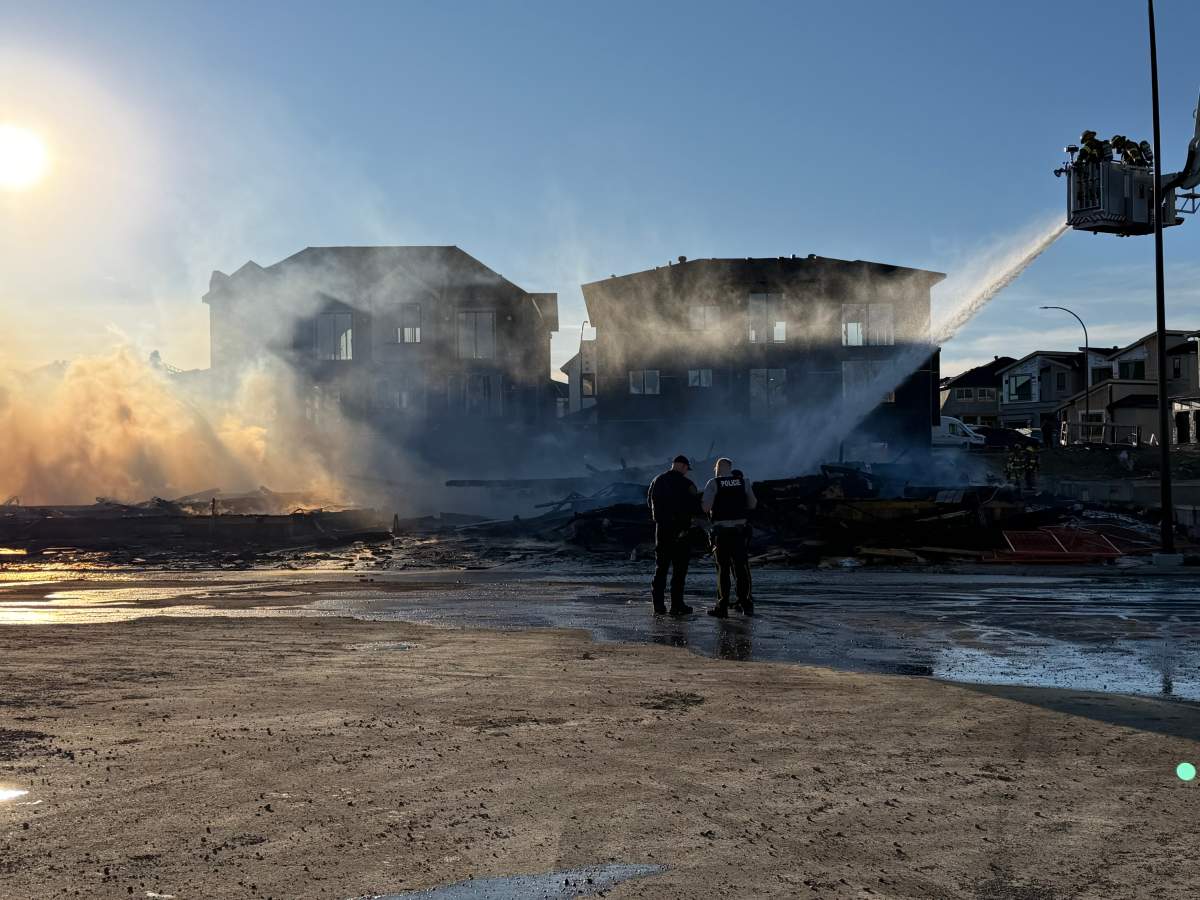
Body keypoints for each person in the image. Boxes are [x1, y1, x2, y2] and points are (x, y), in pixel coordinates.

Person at [701, 458, 757, 618]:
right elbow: (752, 504)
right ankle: (746, 605)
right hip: (740, 533)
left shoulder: (714, 483)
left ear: (717, 469)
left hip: (722, 533)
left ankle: (722, 607)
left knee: (723, 571)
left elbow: (706, 507)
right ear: (731, 468)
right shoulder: (743, 482)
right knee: (741, 569)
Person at [646, 455, 700, 616]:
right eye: (686, 469)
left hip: (662, 530)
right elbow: (695, 506)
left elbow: (649, 502)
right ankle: (677, 605)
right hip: (682, 531)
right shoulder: (687, 484)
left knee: (661, 568)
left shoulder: (657, 480)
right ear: (683, 466)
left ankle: (658, 606)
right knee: (679, 570)